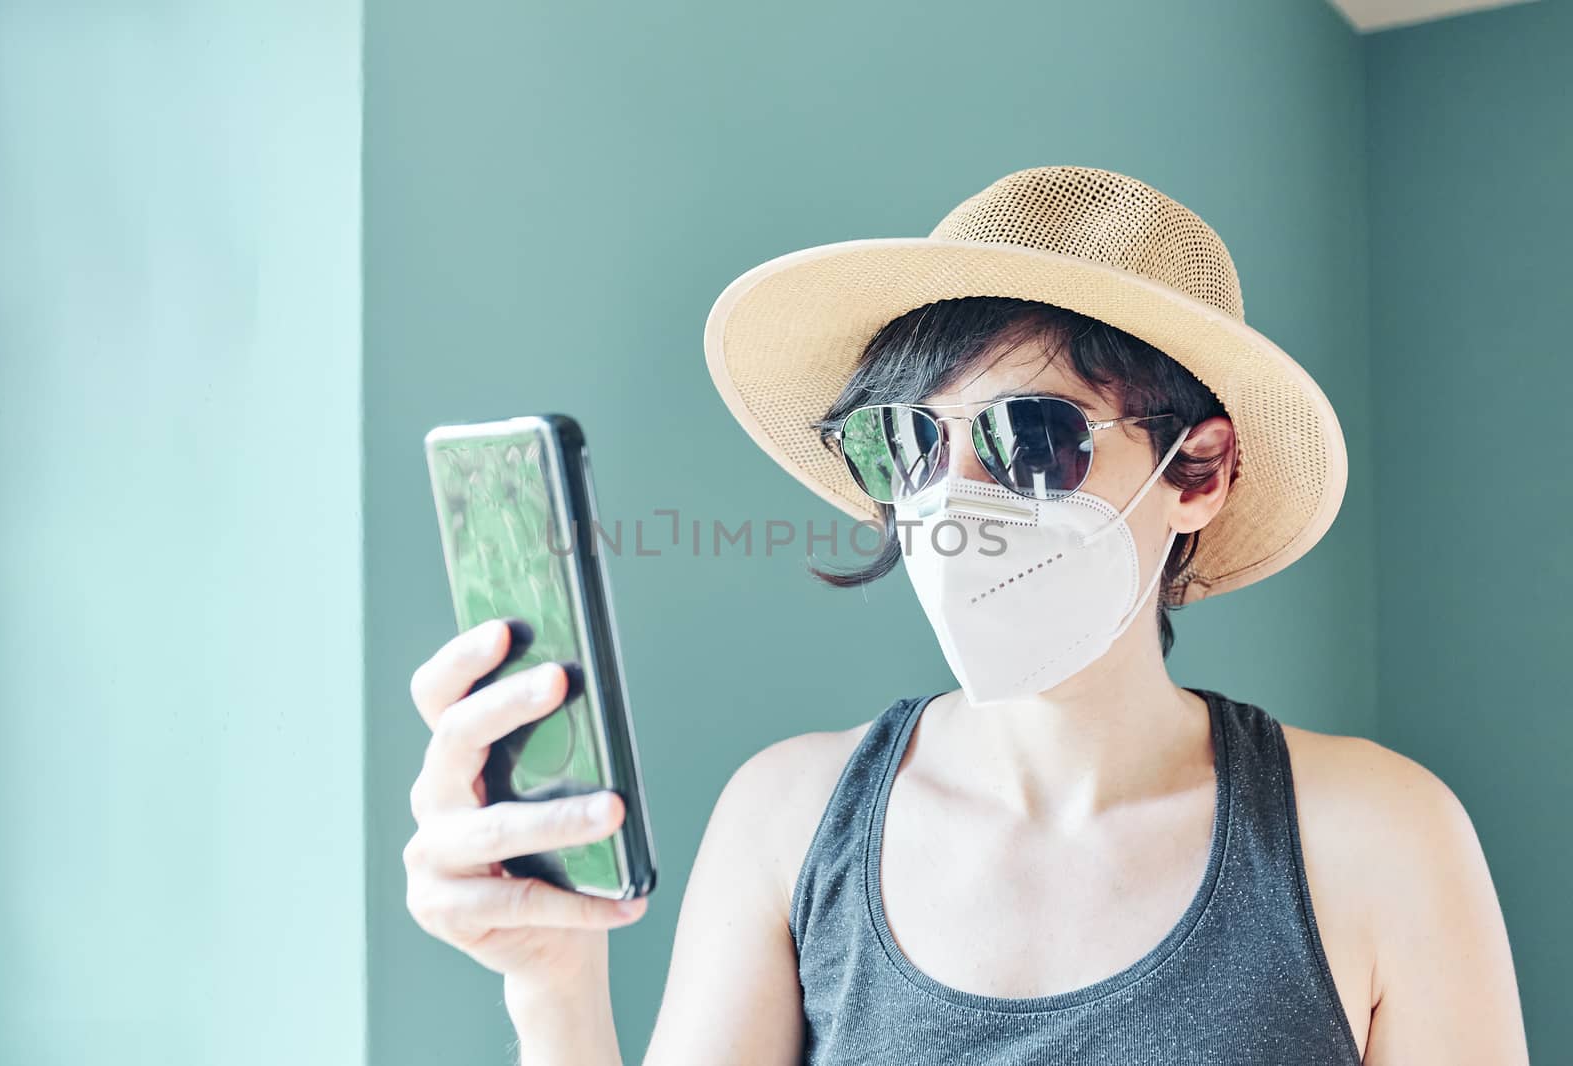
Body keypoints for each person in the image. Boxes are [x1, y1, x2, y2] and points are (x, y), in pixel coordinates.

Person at [402, 167, 1530, 1064]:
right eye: (906, 442)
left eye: (1031, 437)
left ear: (1197, 469)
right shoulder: (789, 824)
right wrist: (549, 985)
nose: (952, 499)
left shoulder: (1379, 837)